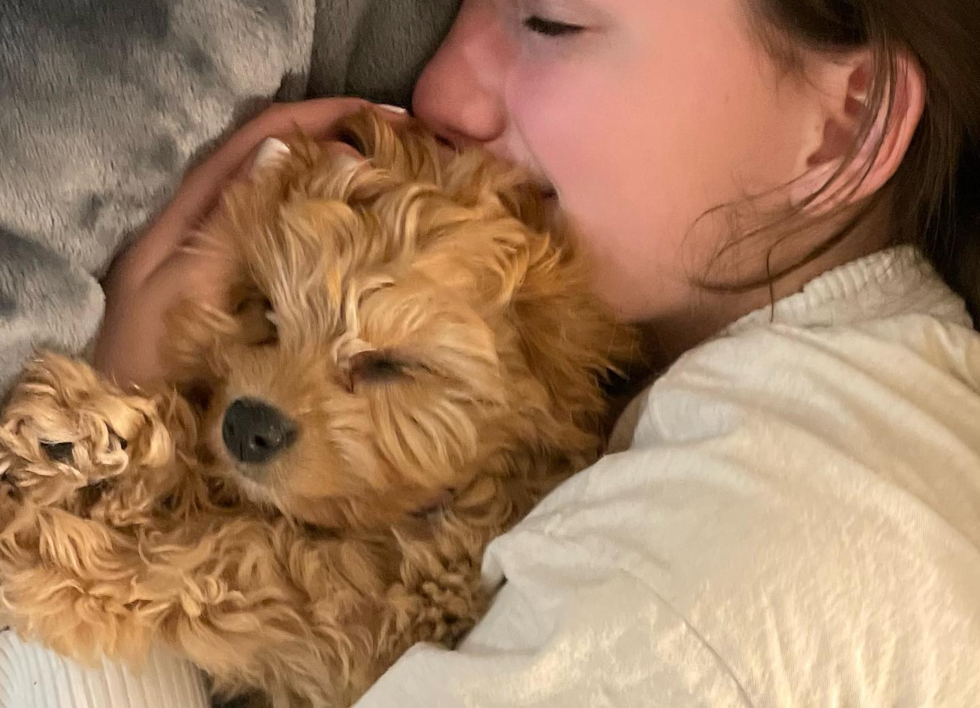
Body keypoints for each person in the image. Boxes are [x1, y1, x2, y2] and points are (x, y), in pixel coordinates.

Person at [14, 0, 980, 705]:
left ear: (843, 121)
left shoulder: (718, 572)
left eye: (551, 21)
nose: (441, 87)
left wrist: (109, 463)